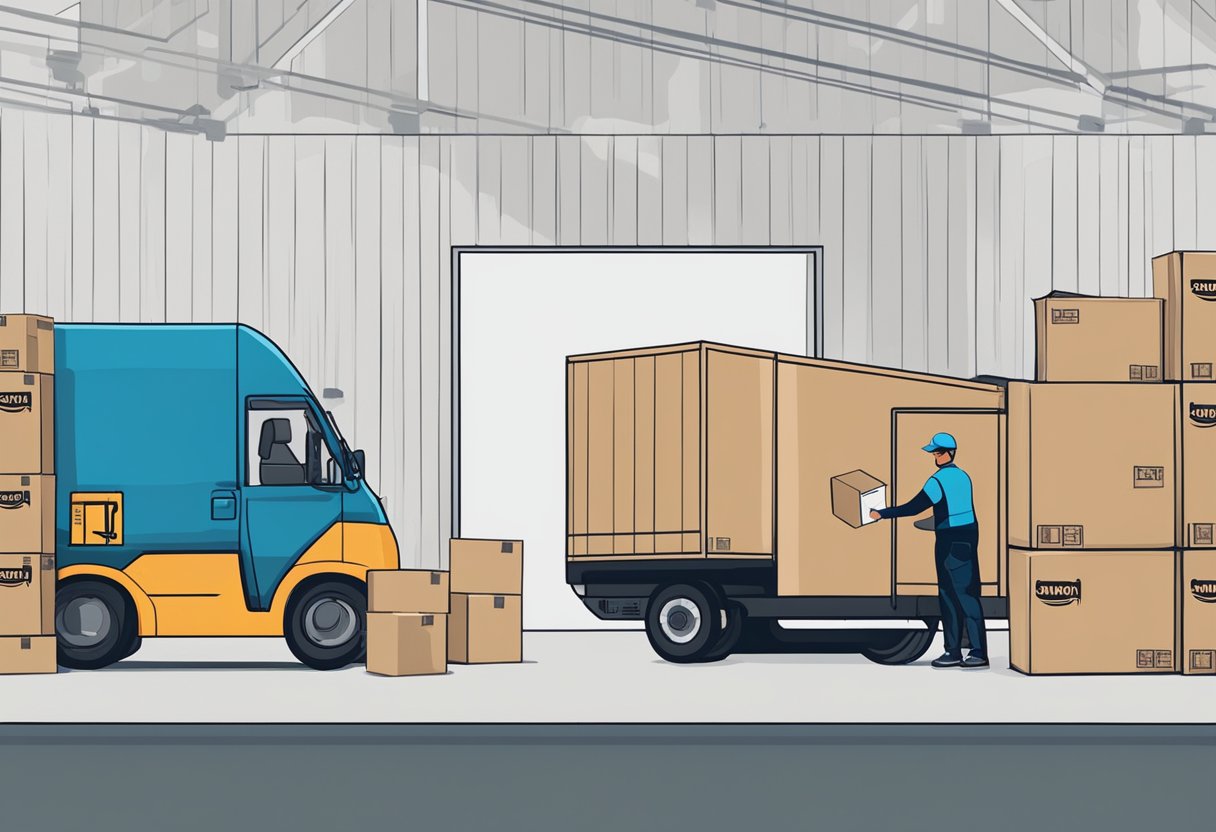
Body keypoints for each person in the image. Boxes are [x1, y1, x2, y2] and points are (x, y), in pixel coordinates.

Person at [869, 432, 988, 669]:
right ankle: (965, 651)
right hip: (967, 538)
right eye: (934, 453)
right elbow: (957, 509)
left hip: (948, 542)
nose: (936, 456)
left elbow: (914, 507)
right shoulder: (963, 476)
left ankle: (969, 653)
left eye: (939, 452)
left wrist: (883, 513)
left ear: (950, 453)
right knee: (966, 594)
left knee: (951, 597)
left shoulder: (937, 481)